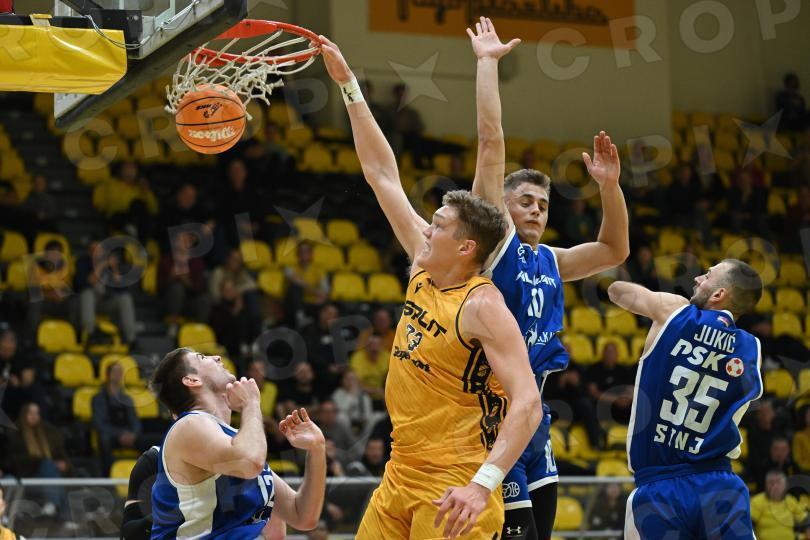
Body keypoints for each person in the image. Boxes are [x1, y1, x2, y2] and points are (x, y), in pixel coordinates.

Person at [321, 34, 543, 539]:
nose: (426, 229)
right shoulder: (425, 266)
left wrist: (482, 486)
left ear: (465, 248)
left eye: (438, 225)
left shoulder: (483, 306)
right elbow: (381, 174)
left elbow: (528, 403)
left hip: (455, 483)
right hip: (400, 471)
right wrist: (349, 86)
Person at [468, 17, 629, 539]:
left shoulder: (552, 260)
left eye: (543, 203)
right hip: (495, 415)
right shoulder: (497, 246)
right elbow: (491, 143)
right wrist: (487, 64)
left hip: (536, 419)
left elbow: (614, 249)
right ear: (502, 207)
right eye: (525, 201)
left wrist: (609, 187)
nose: (536, 209)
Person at [607, 259, 764, 537]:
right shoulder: (752, 348)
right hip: (720, 486)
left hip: (660, 487)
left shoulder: (674, 312)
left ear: (719, 294)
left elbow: (616, 291)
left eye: (707, 275)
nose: (698, 279)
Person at [149, 348, 326, 537]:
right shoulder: (189, 425)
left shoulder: (238, 441)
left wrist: (317, 449)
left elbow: (302, 515)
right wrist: (251, 404)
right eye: (202, 357)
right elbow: (250, 463)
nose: (217, 357)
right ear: (192, 380)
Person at [120, 445, 288, 540]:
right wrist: (184, 511)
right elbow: (128, 535)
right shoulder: (154, 459)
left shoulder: (243, 461)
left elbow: (277, 533)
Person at [5, 403, 75, 527]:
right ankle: (60, 512)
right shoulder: (14, 435)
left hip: (49, 476)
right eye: (30, 413)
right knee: (48, 465)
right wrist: (42, 462)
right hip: (24, 477)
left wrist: (65, 465)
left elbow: (61, 456)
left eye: (37, 413)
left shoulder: (49, 434)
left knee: (51, 469)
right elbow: (16, 462)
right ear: (24, 415)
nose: (34, 416)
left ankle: (54, 506)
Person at [92, 362, 143, 475]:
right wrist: (120, 434)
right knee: (104, 439)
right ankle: (108, 474)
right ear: (108, 374)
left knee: (149, 440)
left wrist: (133, 434)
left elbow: (135, 420)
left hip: (129, 435)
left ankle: (145, 475)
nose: (118, 374)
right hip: (112, 435)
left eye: (120, 372)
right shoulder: (99, 398)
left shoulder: (127, 398)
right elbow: (99, 424)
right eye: (115, 371)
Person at [751, 470, 810, 539]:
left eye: (779, 482)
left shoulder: (790, 501)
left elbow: (804, 520)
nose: (775, 486)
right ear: (766, 485)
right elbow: (748, 524)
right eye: (771, 483)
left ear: (785, 485)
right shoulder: (757, 501)